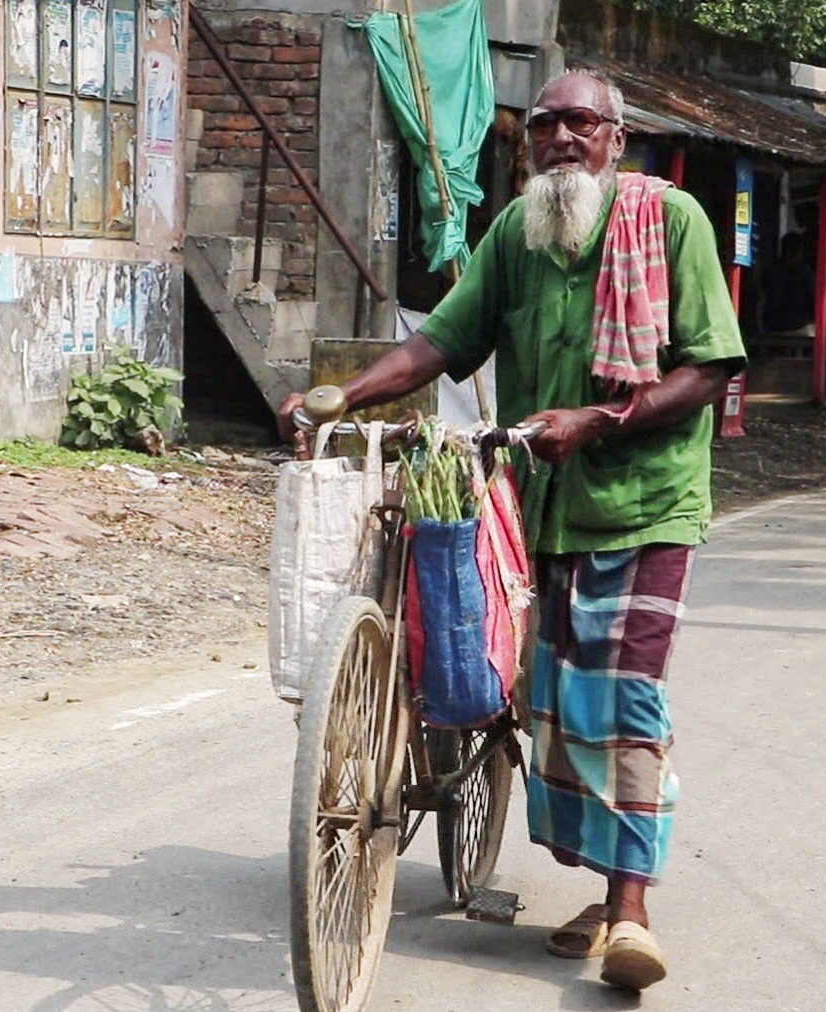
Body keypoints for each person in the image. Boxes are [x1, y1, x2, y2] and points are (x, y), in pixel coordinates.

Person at [276, 71, 744, 992]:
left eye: (580, 122)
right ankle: (607, 894)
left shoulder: (670, 220)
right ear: (527, 146)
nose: (562, 137)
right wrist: (343, 392)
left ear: (615, 139)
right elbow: (442, 342)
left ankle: (634, 913)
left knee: (625, 701)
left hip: (647, 500)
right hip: (539, 504)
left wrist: (597, 421)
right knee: (554, 708)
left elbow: (712, 367)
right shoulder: (517, 236)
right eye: (544, 126)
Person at [758, 231, 816, 336]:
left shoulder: (770, 269)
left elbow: (762, 294)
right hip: (799, 324)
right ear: (799, 250)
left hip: (772, 323)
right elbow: (812, 297)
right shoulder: (804, 272)